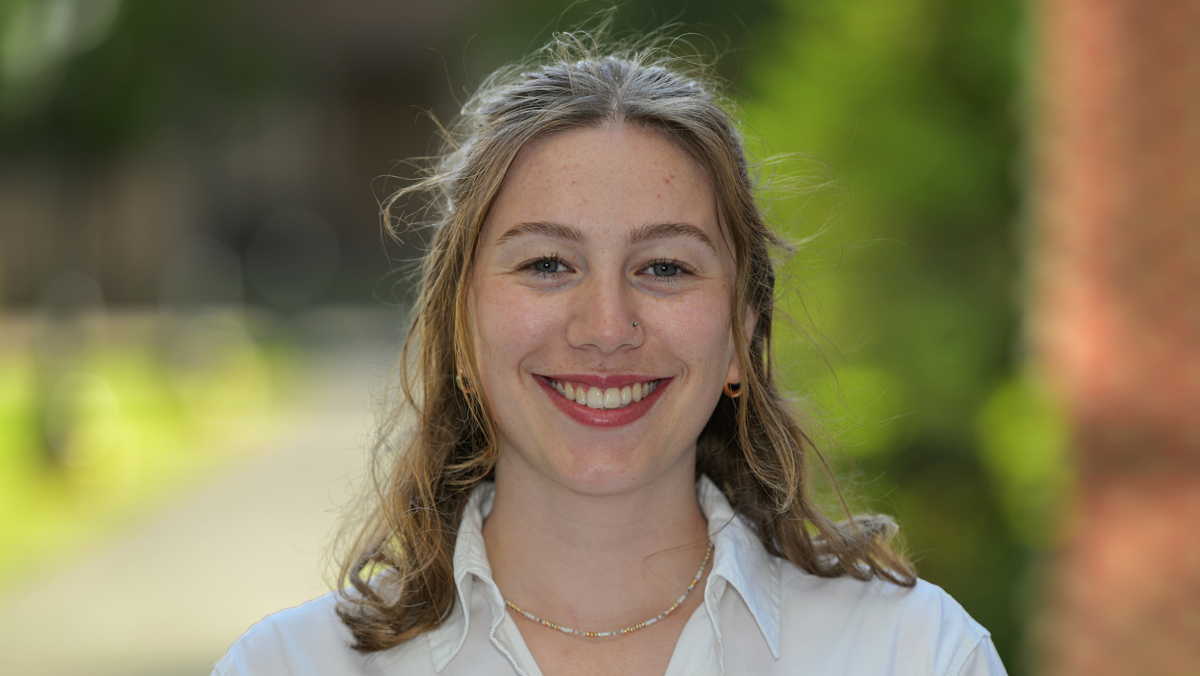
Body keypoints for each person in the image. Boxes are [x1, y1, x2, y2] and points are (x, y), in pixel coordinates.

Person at [213, 36, 1007, 676]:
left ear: (741, 334)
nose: (605, 325)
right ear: (460, 325)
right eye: (547, 265)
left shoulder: (912, 655)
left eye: (665, 267)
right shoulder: (291, 665)